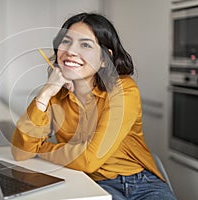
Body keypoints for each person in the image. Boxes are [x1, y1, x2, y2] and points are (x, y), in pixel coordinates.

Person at [11, 12, 176, 200]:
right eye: (66, 42)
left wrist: (40, 150)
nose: (71, 51)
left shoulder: (123, 90)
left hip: (140, 183)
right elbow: (21, 152)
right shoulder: (56, 94)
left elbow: (89, 160)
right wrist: (46, 92)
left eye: (85, 45)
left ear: (105, 58)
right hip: (89, 183)